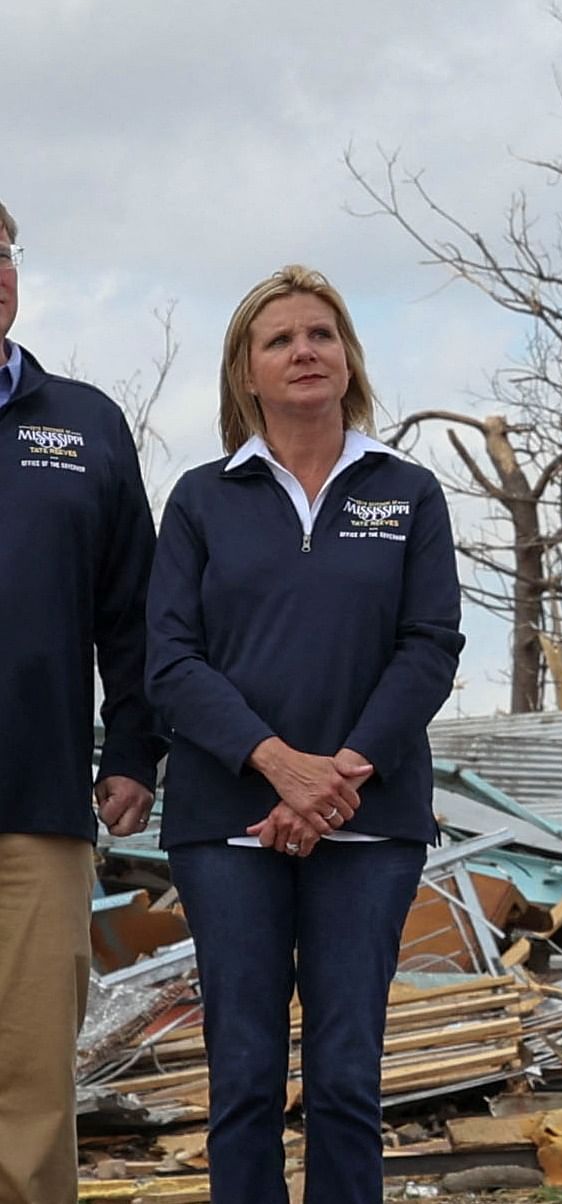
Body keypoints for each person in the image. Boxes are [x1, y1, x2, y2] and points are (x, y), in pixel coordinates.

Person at [146, 267, 462, 1204]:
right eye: (279, 339)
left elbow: (430, 644)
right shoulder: (201, 501)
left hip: (370, 824)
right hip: (227, 825)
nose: (304, 351)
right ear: (247, 373)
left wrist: (340, 778)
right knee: (242, 1076)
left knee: (345, 1078)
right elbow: (169, 664)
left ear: (349, 356)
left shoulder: (407, 492)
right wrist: (281, 770)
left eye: (321, 334)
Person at [0, 200, 163, 1204]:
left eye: (3, 252)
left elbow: (134, 609)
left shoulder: (84, 424)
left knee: (30, 1088)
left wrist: (135, 750)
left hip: (38, 813)